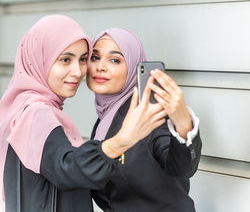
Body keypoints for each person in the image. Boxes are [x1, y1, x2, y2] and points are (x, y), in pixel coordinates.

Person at [0, 16, 168, 212]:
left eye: (82, 60)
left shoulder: (22, 107)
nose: (77, 71)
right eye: (65, 60)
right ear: (38, 59)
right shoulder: (36, 112)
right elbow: (66, 167)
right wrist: (122, 140)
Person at [87, 28, 202, 212]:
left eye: (115, 60)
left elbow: (182, 168)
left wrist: (182, 123)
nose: (100, 66)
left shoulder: (148, 113)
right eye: (94, 57)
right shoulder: (106, 117)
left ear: (133, 66)